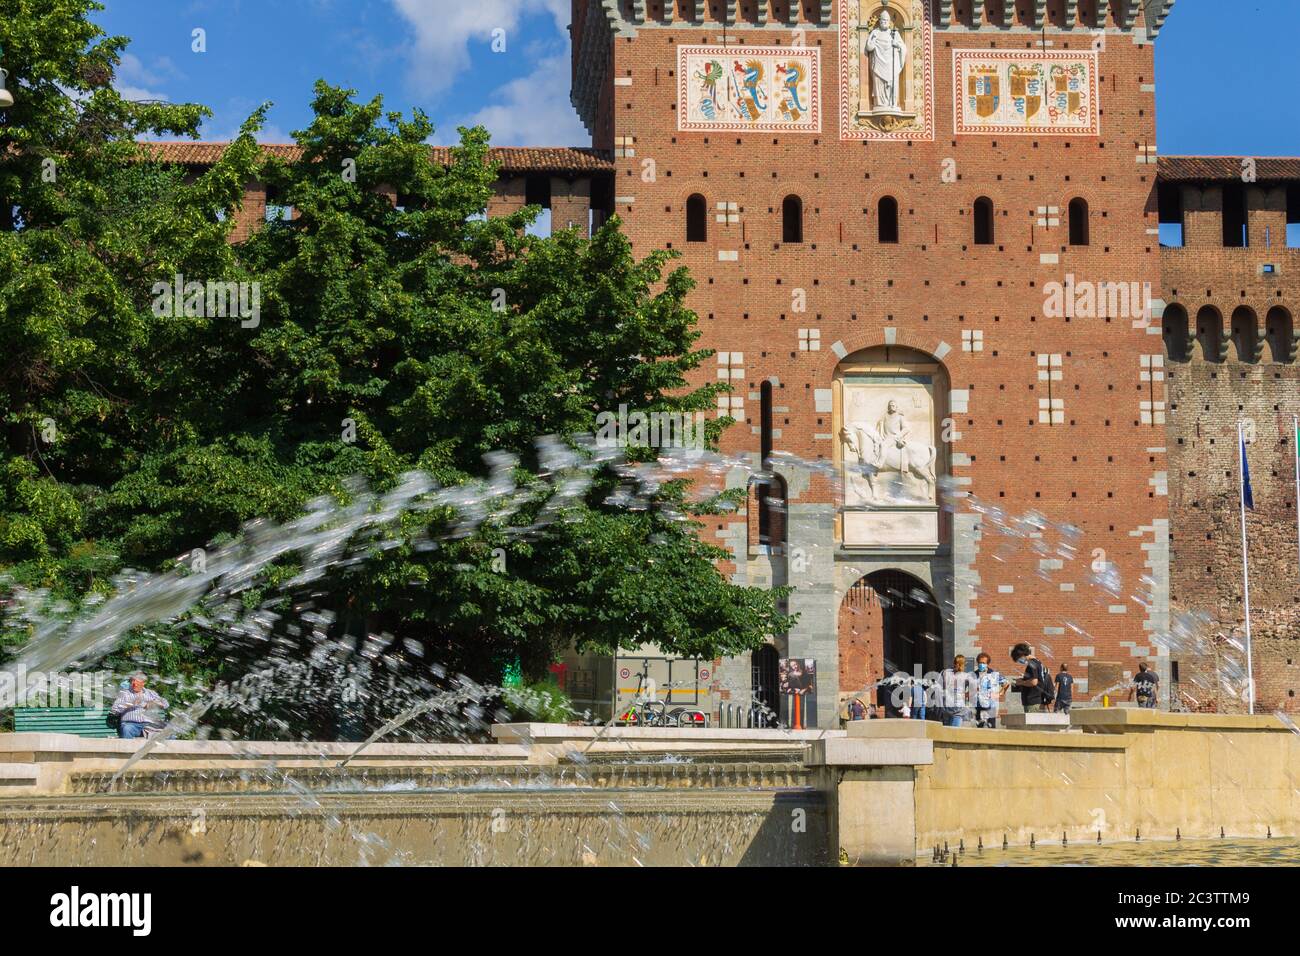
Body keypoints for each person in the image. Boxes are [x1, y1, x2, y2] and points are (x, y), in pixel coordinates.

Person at [109, 673, 169, 739]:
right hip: (131, 724)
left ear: (143, 683)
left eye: (137, 681)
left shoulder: (151, 693)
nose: (134, 683)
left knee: (168, 732)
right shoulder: (124, 694)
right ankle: (128, 749)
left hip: (149, 725)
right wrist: (131, 703)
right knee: (127, 729)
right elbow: (114, 710)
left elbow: (166, 704)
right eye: (133, 680)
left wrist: (155, 703)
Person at [1010, 642, 1052, 713]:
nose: (1019, 662)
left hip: (1032, 700)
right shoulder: (1038, 662)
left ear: (1021, 655)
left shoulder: (1031, 664)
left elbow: (1034, 682)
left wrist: (1021, 682)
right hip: (1037, 699)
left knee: (1031, 723)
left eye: (1018, 659)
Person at [973, 652, 1009, 728]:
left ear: (987, 664)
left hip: (991, 707)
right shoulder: (973, 675)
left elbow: (1006, 683)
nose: (981, 664)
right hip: (979, 706)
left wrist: (1000, 693)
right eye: (979, 662)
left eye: (983, 663)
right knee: (979, 729)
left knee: (991, 728)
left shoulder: (994, 674)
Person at [938, 654, 974, 727]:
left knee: (946, 733)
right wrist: (966, 695)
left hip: (946, 708)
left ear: (954, 663)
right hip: (959, 710)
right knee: (954, 733)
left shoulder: (944, 672)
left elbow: (937, 688)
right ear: (963, 665)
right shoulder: (966, 676)